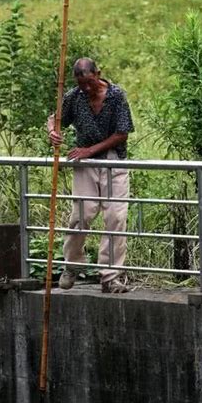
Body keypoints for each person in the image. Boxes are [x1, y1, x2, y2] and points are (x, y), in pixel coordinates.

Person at [47, 57, 134, 293]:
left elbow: (122, 133)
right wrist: (53, 131)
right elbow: (56, 119)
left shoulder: (116, 96)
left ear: (98, 74)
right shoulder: (74, 97)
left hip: (112, 161)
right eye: (81, 83)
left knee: (115, 217)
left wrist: (90, 151)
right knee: (81, 216)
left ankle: (110, 276)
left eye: (89, 82)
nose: (86, 88)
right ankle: (72, 265)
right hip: (84, 164)